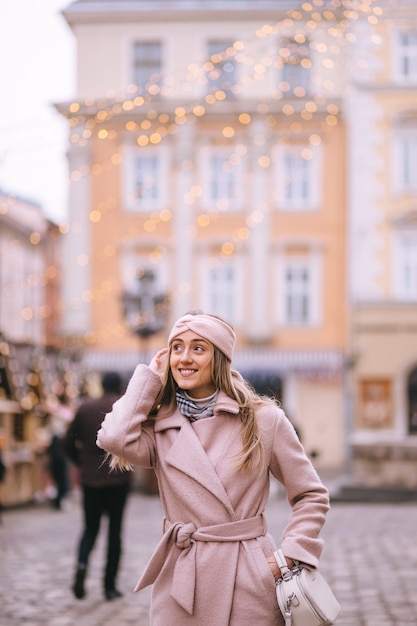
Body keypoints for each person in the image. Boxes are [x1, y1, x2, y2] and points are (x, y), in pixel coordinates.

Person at [97, 312, 330, 625]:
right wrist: (148, 379)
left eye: (198, 348)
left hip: (247, 577)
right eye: (176, 348)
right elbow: (112, 437)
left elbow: (311, 495)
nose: (184, 358)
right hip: (181, 577)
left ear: (219, 358)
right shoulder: (161, 428)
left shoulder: (263, 420)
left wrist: (287, 557)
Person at [65, 371, 132, 601]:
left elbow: (67, 442)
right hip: (117, 479)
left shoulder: (85, 407)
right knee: (115, 532)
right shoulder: (122, 406)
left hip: (90, 479)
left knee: (89, 529)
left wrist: (81, 463)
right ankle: (109, 586)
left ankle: (82, 567)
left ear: (101, 385)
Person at [46, 434, 70, 510]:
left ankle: (57, 502)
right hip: (60, 471)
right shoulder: (60, 450)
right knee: (62, 486)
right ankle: (57, 502)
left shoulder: (53, 449)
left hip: (56, 470)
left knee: (60, 486)